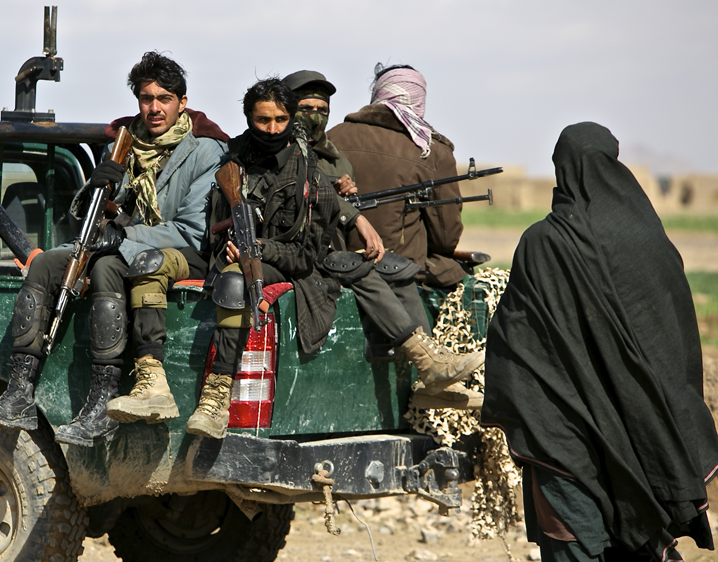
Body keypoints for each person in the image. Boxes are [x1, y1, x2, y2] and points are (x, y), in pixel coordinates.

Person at [184, 79, 484, 440]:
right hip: (245, 261)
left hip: (289, 257)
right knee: (234, 279)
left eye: (281, 119)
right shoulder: (230, 162)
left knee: (362, 265)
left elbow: (307, 249)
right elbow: (210, 227)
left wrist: (265, 247)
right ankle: (214, 401)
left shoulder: (304, 166)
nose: (273, 129)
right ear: (249, 117)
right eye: (263, 120)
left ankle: (427, 360)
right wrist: (229, 246)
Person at [480, 122, 718, 561]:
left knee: (578, 540)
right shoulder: (650, 237)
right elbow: (677, 339)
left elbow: (517, 342)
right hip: (643, 431)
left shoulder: (542, 243)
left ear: (562, 169)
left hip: (565, 434)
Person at [0, 52, 227, 448]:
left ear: (182, 101)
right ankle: (19, 393)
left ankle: (101, 404)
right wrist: (99, 186)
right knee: (46, 266)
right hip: (120, 242)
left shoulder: (206, 152)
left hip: (176, 251)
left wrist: (122, 239)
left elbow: (192, 231)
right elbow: (93, 213)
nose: (154, 108)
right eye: (146, 98)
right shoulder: (127, 143)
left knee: (108, 266)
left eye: (164, 98)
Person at [284, 69, 483, 410]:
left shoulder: (335, 146)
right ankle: (428, 362)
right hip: (302, 252)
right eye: (305, 108)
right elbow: (446, 236)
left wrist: (342, 198)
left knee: (393, 263)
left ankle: (430, 379)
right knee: (359, 263)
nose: (315, 118)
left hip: (344, 249)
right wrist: (344, 206)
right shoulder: (428, 149)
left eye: (322, 109)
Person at [327, 63, 468, 289]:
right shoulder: (432, 151)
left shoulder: (331, 137)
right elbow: (445, 238)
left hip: (332, 264)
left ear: (378, 94)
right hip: (399, 272)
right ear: (419, 100)